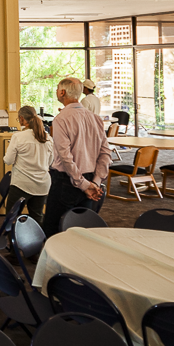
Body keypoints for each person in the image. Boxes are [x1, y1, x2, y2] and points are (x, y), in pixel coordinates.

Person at [43, 77, 112, 237]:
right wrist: (95, 182)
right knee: (82, 231)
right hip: (90, 182)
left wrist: (83, 184)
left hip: (67, 181)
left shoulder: (61, 119)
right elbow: (105, 153)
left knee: (54, 231)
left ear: (62, 92)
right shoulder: (95, 118)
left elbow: (66, 157)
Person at [5, 106, 52, 226]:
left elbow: (8, 160)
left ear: (21, 119)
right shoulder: (47, 138)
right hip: (42, 184)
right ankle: (35, 242)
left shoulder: (18, 137)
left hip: (21, 183)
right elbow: (50, 162)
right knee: (37, 217)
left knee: (12, 217)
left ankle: (14, 243)